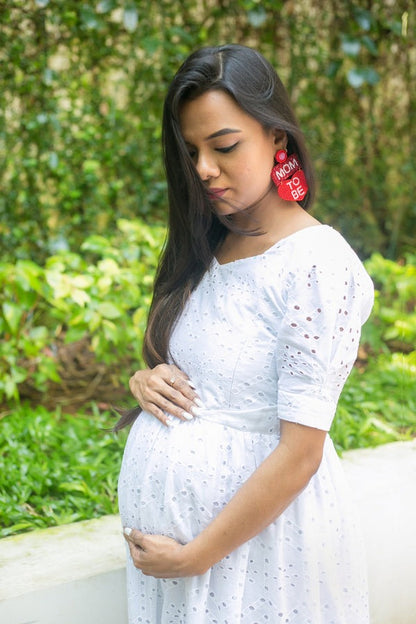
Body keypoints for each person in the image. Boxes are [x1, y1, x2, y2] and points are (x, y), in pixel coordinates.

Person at [117, 44, 374, 624]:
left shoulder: (316, 264)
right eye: (191, 152)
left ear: (276, 138)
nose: (204, 168)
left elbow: (302, 452)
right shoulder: (211, 243)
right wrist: (148, 378)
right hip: (183, 569)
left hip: (256, 556)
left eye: (224, 146)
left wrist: (195, 556)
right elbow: (207, 372)